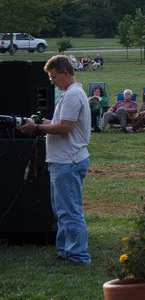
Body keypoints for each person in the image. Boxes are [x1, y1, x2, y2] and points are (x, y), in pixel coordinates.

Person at [18, 55, 91, 265]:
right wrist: (42, 122)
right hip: (64, 160)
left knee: (70, 211)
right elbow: (61, 123)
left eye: (53, 76)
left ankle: (78, 255)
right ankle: (65, 251)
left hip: (68, 161)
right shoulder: (71, 93)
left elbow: (64, 128)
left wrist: (37, 128)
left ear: (65, 73)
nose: (52, 82)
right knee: (62, 210)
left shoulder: (73, 95)